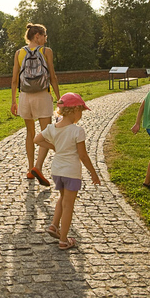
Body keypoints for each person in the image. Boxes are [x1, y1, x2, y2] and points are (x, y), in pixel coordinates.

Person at [33, 92, 100, 250]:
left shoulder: (52, 128)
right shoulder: (77, 131)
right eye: (81, 112)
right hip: (71, 171)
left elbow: (37, 140)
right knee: (68, 205)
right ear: (74, 111)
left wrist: (53, 146)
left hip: (57, 171)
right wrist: (94, 173)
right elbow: (83, 155)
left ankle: (54, 226)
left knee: (62, 199)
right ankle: (64, 240)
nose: (81, 115)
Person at [10, 23, 60, 186]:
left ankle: (30, 168)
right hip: (42, 96)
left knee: (29, 133)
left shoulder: (19, 53)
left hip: (25, 97)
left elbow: (14, 80)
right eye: (44, 35)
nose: (46, 38)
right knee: (47, 133)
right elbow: (52, 76)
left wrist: (13, 101)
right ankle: (38, 167)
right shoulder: (47, 52)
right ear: (37, 36)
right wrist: (60, 98)